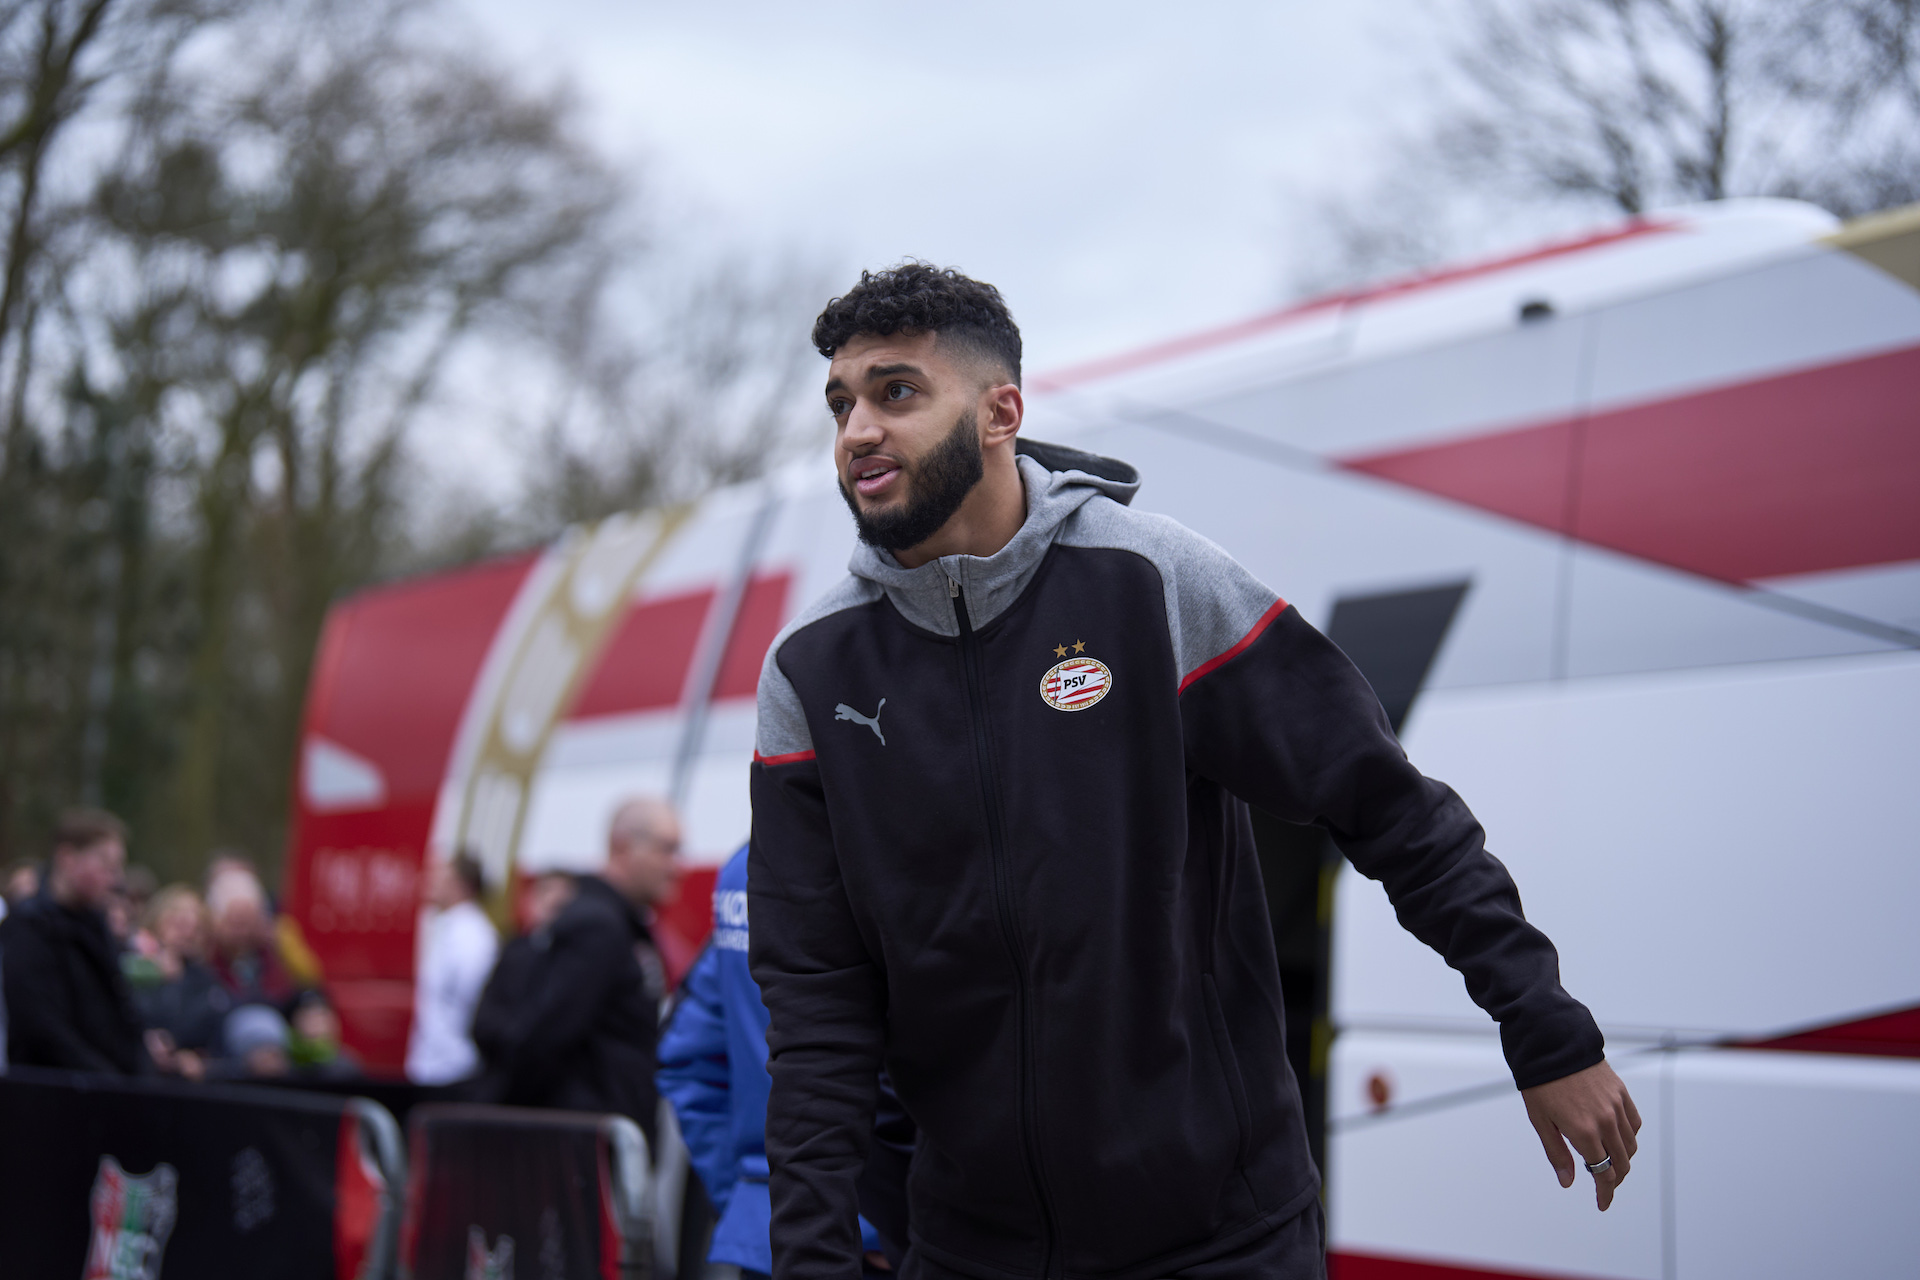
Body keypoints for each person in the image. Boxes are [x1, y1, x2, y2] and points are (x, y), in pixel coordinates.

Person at [746, 265, 1642, 1280]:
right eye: (842, 404)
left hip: (1221, 1236)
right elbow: (813, 999)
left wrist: (1544, 1028)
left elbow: (1389, 807)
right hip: (967, 1250)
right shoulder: (809, 671)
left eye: (896, 392)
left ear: (1002, 413)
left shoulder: (1154, 580)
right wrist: (812, 1259)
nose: (858, 430)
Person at [659, 848, 896, 1280]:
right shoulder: (879, 848)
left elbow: (688, 1057)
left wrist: (750, 1197)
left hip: (775, 1228)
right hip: (880, 1235)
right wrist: (890, 1223)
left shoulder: (744, 865)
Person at [495, 797, 684, 1145]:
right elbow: (546, 1036)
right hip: (586, 1145)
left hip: (607, 1139)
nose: (676, 866)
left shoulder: (621, 924)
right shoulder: (599, 926)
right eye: (666, 849)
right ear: (622, 847)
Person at [0, 810, 148, 1073]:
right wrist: (106, 1079)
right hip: (55, 1087)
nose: (115, 879)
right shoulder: (29, 928)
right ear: (67, 858)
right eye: (106, 865)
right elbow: (40, 1027)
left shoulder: (96, 925)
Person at [471, 869, 575, 1099]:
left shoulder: (578, 961)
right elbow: (484, 1021)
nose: (554, 906)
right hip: (506, 1079)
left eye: (563, 905)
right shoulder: (515, 951)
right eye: (547, 895)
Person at [406, 850, 499, 1085]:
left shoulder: (473, 938)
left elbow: (476, 1002)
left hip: (456, 1068)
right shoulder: (448, 928)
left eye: (440, 876)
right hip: (434, 1066)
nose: (430, 883)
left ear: (461, 885)